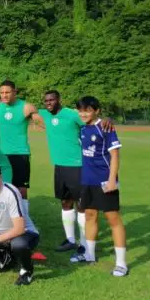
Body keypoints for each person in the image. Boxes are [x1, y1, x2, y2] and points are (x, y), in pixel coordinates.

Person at [70, 96, 127, 277]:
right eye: (80, 110)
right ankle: (89, 254)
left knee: (113, 219)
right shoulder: (83, 128)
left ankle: (121, 263)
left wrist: (112, 181)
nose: (83, 114)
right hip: (87, 180)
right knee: (89, 215)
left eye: (87, 110)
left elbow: (115, 156)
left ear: (97, 110)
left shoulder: (106, 128)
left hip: (105, 181)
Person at [38, 90, 86, 253]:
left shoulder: (72, 115)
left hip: (77, 165)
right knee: (65, 202)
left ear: (59, 100)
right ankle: (71, 240)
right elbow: (29, 111)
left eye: (51, 100)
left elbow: (90, 121)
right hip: (59, 166)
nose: (48, 103)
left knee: (81, 204)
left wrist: (105, 120)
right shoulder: (45, 114)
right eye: (46, 101)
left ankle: (85, 242)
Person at [0, 80, 41, 200]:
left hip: (20, 153)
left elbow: (44, 123)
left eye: (7, 92)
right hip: (2, 154)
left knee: (21, 188)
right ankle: (6, 214)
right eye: (1, 92)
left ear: (14, 92)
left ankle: (24, 216)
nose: (4, 95)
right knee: (2, 185)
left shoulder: (26, 107)